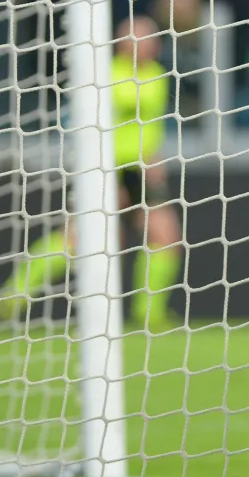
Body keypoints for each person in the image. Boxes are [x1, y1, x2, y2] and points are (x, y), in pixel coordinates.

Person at [0, 17, 181, 331]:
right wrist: (100, 168)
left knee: (165, 235)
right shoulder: (106, 73)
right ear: (121, 42)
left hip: (140, 169)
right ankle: (12, 297)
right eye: (135, 37)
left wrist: (155, 157)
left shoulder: (157, 75)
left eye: (149, 37)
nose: (144, 43)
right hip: (104, 167)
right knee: (81, 239)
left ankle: (150, 315)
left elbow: (151, 125)